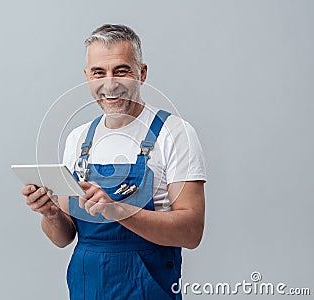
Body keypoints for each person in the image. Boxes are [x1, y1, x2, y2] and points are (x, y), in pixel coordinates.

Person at [21, 24, 206, 300]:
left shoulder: (175, 133)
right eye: (99, 73)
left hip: (148, 289)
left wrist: (118, 210)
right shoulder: (78, 139)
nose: (110, 84)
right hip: (86, 287)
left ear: (142, 74)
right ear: (87, 77)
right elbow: (64, 237)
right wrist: (50, 214)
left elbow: (191, 233)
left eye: (121, 71)